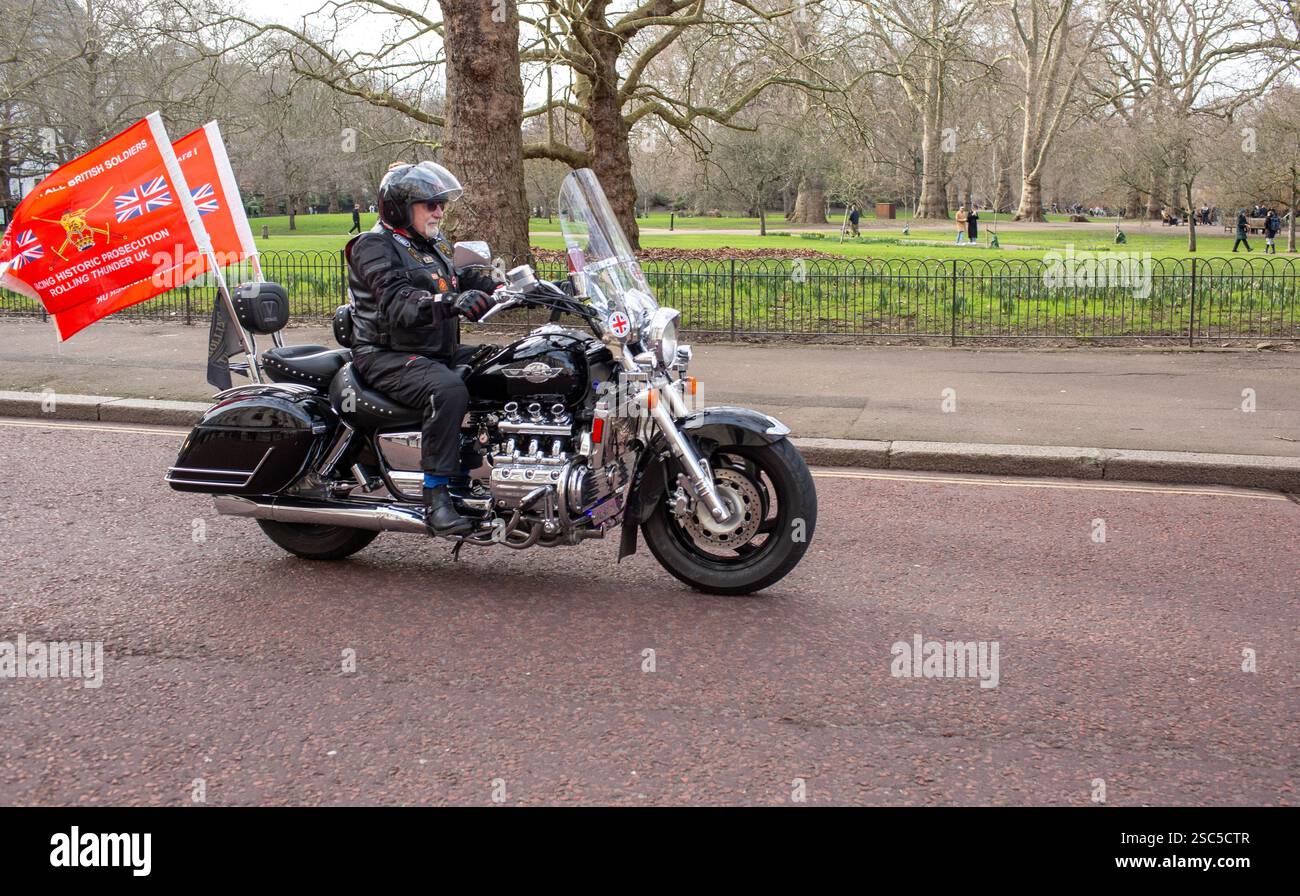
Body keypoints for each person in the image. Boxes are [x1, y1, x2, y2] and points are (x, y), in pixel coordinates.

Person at [345, 161, 501, 536]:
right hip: (385, 355)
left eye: (441, 204)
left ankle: (482, 468)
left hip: (434, 350)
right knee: (447, 389)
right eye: (430, 204)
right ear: (399, 208)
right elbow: (397, 300)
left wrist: (509, 285)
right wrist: (450, 303)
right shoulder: (373, 246)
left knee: (502, 365)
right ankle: (436, 497)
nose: (439, 211)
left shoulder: (429, 244)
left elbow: (458, 278)